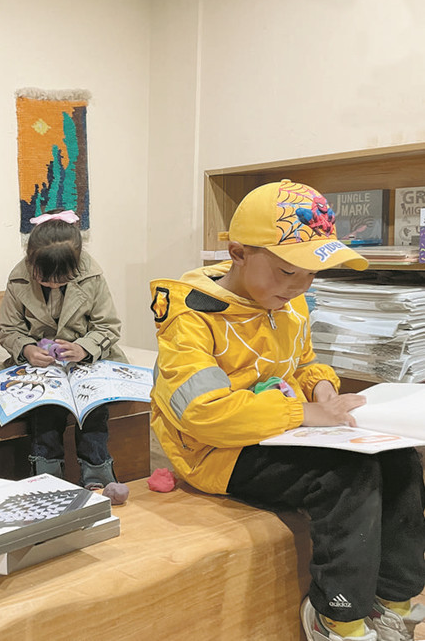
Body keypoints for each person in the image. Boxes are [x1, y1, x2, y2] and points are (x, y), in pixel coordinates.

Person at [149, 179, 425, 641]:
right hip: (216, 453)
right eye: (286, 271)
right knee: (346, 478)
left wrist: (321, 389)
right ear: (238, 253)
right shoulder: (191, 318)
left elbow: (302, 363)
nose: (299, 286)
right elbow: (203, 413)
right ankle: (338, 619)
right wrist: (301, 414)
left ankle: (394, 602)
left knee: (398, 458)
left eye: (311, 274)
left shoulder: (287, 304)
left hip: (282, 432)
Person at [0, 210, 126, 489]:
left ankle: (97, 472)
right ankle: (47, 475)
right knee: (45, 406)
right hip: (41, 367)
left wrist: (83, 348)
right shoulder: (18, 280)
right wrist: (27, 349)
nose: (54, 284)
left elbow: (108, 326)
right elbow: (7, 329)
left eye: (61, 279)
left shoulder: (92, 277)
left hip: (87, 363)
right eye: (45, 279)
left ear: (76, 265)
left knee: (93, 406)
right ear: (31, 262)